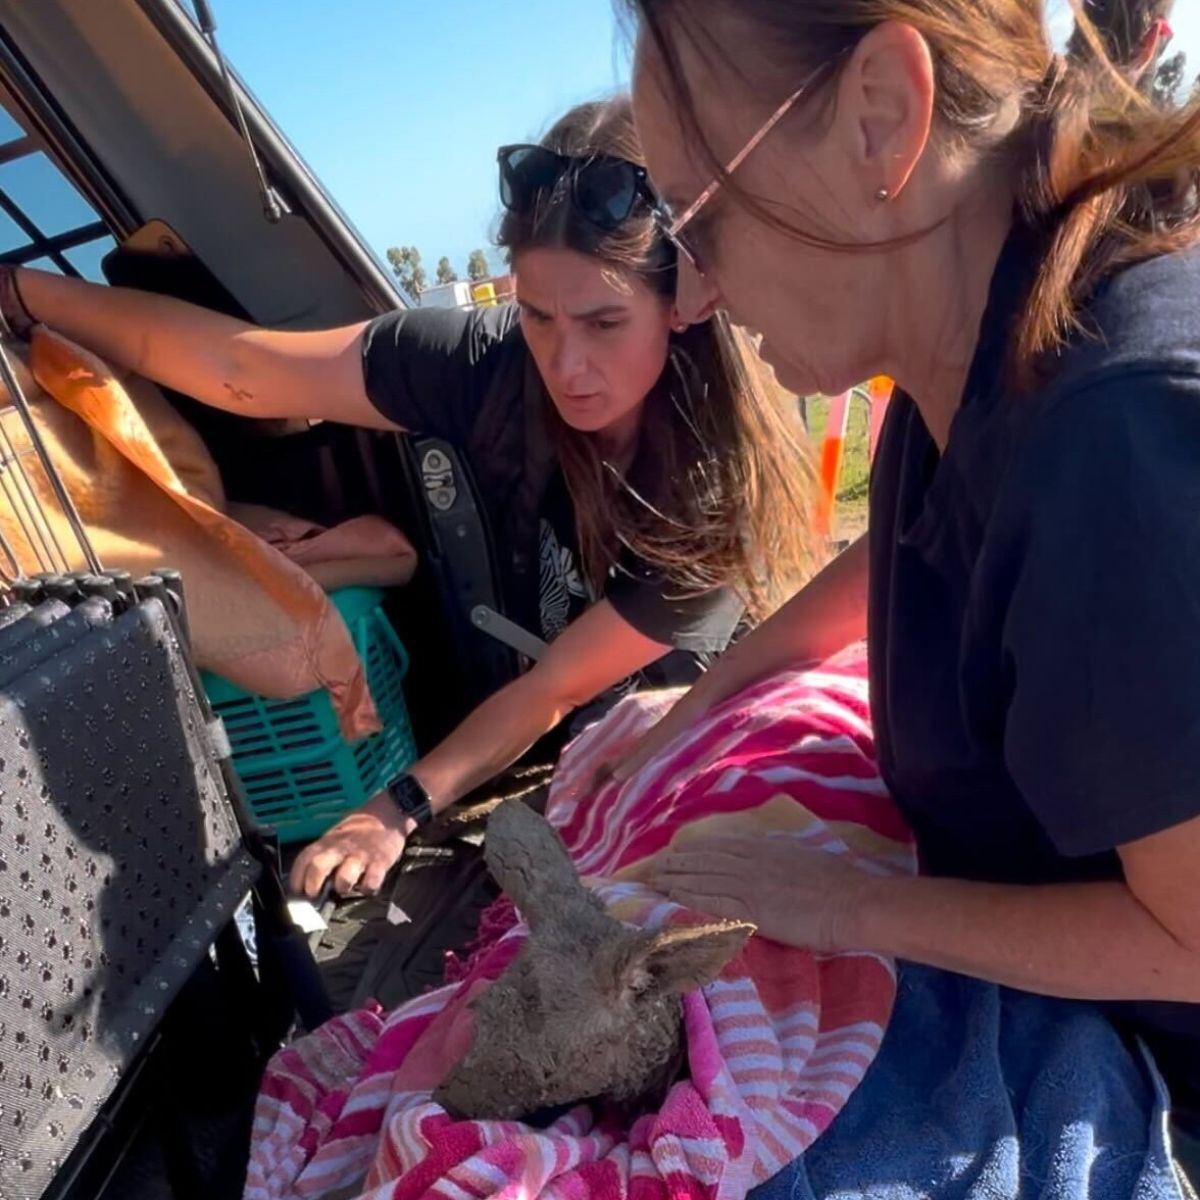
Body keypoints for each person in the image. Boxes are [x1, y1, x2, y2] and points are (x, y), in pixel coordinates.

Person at [613, 0, 1200, 1186]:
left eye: (700, 224)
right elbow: (925, 547)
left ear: (882, 116)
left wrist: (848, 908)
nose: (690, 300)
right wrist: (704, 695)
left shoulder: (1109, 439)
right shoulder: (984, 341)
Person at [0, 96, 818, 900]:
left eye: (604, 322)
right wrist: (28, 296)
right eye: (538, 315)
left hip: (686, 718)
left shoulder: (715, 495)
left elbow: (556, 688)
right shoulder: (486, 363)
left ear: (683, 300)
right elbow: (244, 371)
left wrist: (396, 810)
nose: (565, 365)